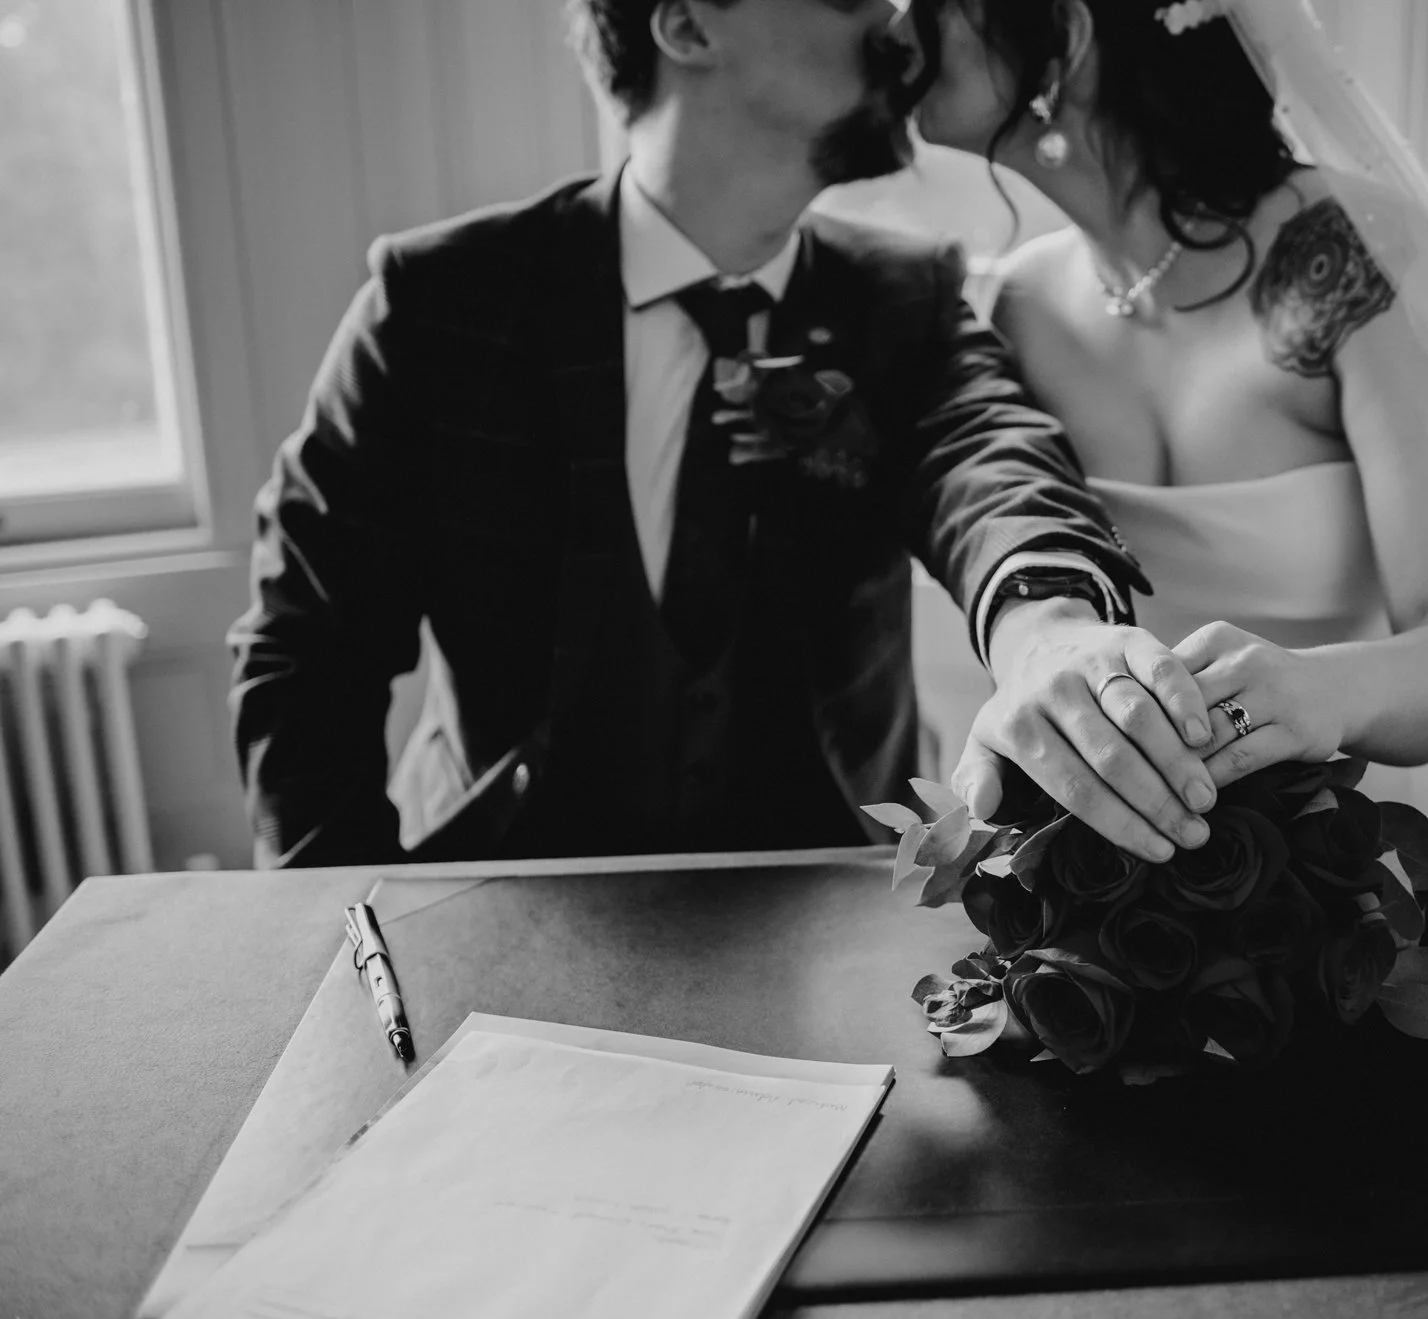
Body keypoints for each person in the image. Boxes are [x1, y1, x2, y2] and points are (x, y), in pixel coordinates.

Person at [226, 0, 1230, 869]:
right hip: (502, 898)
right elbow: (307, 650)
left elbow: (992, 462)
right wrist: (346, 909)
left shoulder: (905, 300)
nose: (896, 21)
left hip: (828, 906)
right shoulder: (440, 305)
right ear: (687, 23)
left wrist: (1044, 624)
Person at [918, 0, 1428, 817]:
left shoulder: (1347, 251)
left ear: (1067, 36)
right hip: (1106, 870)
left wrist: (1318, 689)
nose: (903, 24)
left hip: (1343, 864)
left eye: (942, 4)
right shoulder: (1011, 305)